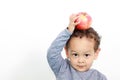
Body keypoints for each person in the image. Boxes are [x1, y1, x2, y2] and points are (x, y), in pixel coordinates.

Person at [47, 13, 107, 80]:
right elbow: (52, 53)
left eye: (86, 55)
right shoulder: (62, 68)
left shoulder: (99, 77)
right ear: (67, 52)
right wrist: (68, 31)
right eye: (75, 54)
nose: (80, 61)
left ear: (96, 53)